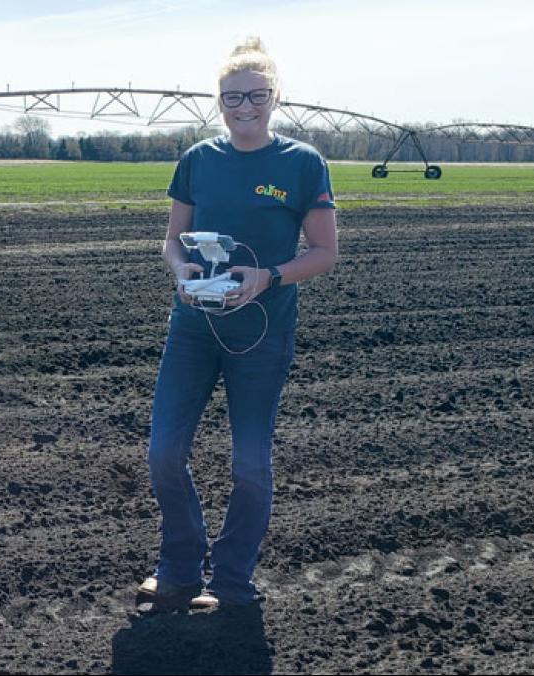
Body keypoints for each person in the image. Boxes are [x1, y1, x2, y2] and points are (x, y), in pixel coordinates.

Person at [140, 36, 338, 612]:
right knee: (163, 454)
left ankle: (230, 581)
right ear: (218, 101)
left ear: (275, 96)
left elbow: (324, 253)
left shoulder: (302, 164)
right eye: (232, 98)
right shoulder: (198, 161)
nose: (244, 107)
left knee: (250, 462)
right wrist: (181, 272)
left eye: (256, 95)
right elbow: (173, 241)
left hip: (261, 333)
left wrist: (268, 276)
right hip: (193, 329)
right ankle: (178, 568)